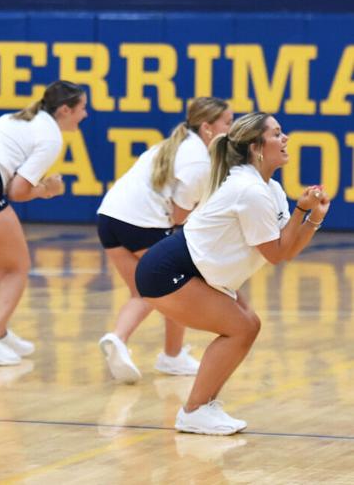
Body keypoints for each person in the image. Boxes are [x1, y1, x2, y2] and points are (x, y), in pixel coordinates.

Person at [135, 112, 330, 435]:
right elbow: (277, 253)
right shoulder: (248, 190)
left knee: (249, 325)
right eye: (277, 134)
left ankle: (204, 406)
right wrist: (302, 211)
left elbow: (287, 250)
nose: (285, 139)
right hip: (168, 270)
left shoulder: (270, 189)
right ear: (256, 147)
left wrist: (312, 218)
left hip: (195, 270)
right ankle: (193, 410)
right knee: (239, 329)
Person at [96, 97, 233, 383]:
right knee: (164, 286)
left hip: (109, 216)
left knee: (146, 290)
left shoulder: (178, 143)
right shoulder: (198, 161)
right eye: (228, 123)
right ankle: (156, 351)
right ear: (208, 127)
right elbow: (180, 215)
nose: (231, 130)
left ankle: (142, 346)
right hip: (140, 221)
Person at [0, 80, 88, 366]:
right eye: (82, 109)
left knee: (4, 264)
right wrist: (46, 190)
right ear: (64, 110)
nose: (85, 115)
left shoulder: (20, 117)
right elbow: (18, 191)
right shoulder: (51, 137)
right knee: (18, 266)